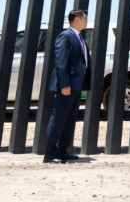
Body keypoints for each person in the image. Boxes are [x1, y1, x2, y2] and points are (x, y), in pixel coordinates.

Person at [44, 9, 92, 164]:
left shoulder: (79, 37)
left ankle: (63, 151)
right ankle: (50, 154)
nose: (86, 21)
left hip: (76, 86)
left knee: (69, 120)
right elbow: (61, 62)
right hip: (67, 86)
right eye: (84, 18)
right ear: (76, 20)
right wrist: (64, 84)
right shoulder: (66, 36)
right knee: (58, 119)